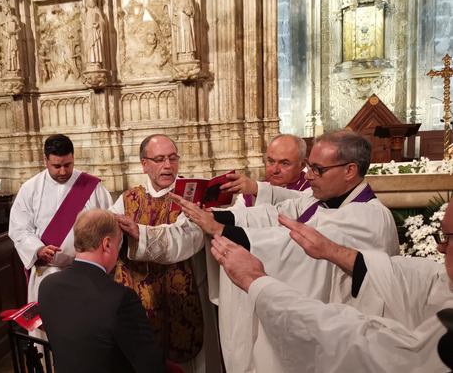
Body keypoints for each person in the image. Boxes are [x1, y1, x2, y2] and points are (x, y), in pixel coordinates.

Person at [123, 131, 399, 373]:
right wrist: (219, 219)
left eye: (317, 169)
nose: (309, 175)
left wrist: (221, 230)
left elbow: (291, 245)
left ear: (350, 170)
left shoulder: (367, 217)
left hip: (344, 332)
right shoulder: (323, 202)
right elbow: (273, 214)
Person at [206, 206, 453, 373]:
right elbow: (425, 282)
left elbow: (361, 348)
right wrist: (331, 250)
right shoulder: (318, 201)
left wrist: (257, 280)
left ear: (349, 170)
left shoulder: (370, 212)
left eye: (448, 237)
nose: (441, 248)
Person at [111, 134, 220, 372]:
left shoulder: (192, 197)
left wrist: (140, 233)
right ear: (144, 164)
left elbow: (187, 238)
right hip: (140, 301)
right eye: (159, 159)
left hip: (183, 297)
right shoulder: (127, 199)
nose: (167, 165)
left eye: (172, 158)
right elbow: (109, 232)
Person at [39, 209, 166, 373]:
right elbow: (151, 366)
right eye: (119, 243)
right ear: (107, 244)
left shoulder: (47, 286)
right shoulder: (121, 299)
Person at [9, 134, 112, 307]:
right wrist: (38, 249)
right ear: (45, 160)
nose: (63, 171)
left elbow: (110, 224)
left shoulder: (91, 187)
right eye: (56, 166)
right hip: (47, 273)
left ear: (73, 158)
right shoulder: (30, 189)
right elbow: (19, 229)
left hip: (85, 273)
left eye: (67, 165)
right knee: (49, 327)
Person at [229, 134, 309, 207]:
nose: (274, 170)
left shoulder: (312, 190)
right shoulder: (252, 192)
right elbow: (234, 216)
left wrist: (259, 189)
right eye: (271, 161)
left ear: (302, 165)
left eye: (284, 164)